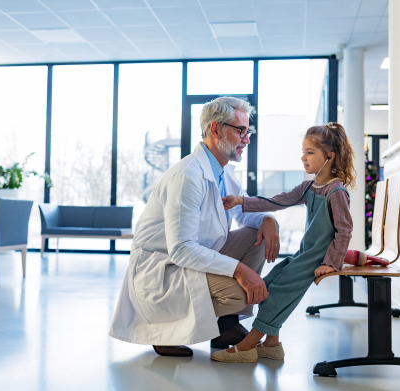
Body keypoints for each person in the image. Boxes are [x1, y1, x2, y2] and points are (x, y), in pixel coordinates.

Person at [109, 97, 280, 357]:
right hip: (164, 271)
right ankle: (168, 330)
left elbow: (244, 215)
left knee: (257, 235)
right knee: (240, 295)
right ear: (215, 130)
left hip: (192, 259)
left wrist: (269, 220)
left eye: (248, 131)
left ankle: (226, 325)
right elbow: (181, 250)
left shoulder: (223, 172)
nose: (246, 139)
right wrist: (240, 271)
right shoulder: (188, 175)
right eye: (240, 131)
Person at [212, 122, 355, 362]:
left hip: (316, 260)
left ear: (329, 157)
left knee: (276, 294)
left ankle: (247, 346)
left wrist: (331, 263)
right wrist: (241, 201)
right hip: (303, 255)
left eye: (310, 153)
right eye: (303, 152)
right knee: (270, 283)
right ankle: (271, 344)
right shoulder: (309, 186)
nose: (303, 158)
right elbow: (277, 201)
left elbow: (345, 230)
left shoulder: (336, 192)